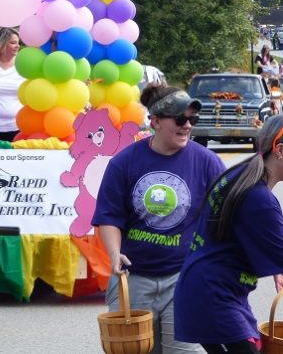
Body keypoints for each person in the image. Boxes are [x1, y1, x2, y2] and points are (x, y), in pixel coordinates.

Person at [91, 84, 226, 354]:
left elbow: (231, 216)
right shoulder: (124, 162)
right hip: (132, 280)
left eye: (192, 119)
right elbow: (109, 216)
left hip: (183, 279)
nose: (187, 126)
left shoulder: (208, 162)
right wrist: (114, 253)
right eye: (179, 119)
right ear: (155, 121)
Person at [174, 114, 283, 353]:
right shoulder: (259, 198)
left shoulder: (239, 176)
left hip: (213, 293)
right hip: (213, 299)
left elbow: (245, 235)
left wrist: (276, 266)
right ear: (280, 149)